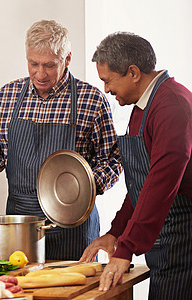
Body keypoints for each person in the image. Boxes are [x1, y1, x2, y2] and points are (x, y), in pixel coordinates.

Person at [0, 20, 122, 260]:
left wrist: (84, 188)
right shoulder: (4, 98)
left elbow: (112, 160)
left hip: (74, 227)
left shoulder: (91, 101)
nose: (40, 74)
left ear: (67, 59)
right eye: (34, 64)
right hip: (20, 226)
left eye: (50, 65)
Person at [80, 32, 192, 299]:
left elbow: (160, 184)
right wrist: (116, 233)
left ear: (133, 72)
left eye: (108, 80)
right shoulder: (141, 107)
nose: (106, 90)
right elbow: (141, 183)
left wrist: (126, 248)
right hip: (164, 239)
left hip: (183, 239)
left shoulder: (171, 105)